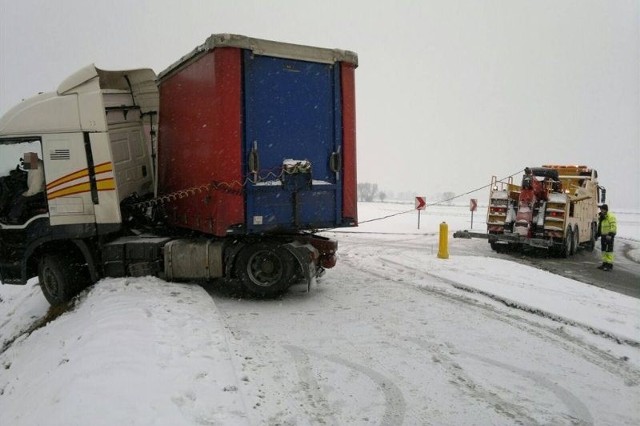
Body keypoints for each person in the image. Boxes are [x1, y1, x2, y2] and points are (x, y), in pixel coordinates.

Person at [6, 153, 45, 224]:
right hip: (37, 190)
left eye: (26, 160)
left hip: (38, 192)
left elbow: (36, 186)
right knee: (19, 193)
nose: (25, 162)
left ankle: (13, 217)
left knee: (20, 199)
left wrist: (27, 194)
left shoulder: (38, 169)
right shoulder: (35, 166)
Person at [596, 204, 617, 271]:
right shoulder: (602, 217)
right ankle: (604, 264)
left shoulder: (610, 216)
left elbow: (613, 226)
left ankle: (609, 265)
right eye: (600, 209)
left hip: (609, 236)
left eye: (602, 209)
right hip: (603, 236)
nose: (601, 210)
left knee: (609, 251)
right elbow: (600, 226)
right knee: (603, 250)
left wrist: (610, 234)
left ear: (605, 209)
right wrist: (598, 233)